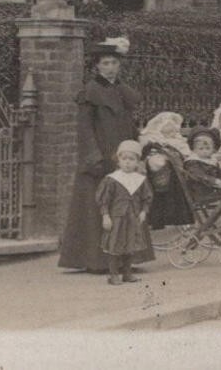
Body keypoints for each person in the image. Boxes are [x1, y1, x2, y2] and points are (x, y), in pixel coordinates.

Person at [60, 38, 154, 273]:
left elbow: (129, 124)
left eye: (114, 63)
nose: (110, 67)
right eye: (105, 63)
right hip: (101, 158)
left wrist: (137, 147)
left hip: (124, 157)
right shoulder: (90, 92)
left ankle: (127, 259)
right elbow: (85, 129)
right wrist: (94, 158)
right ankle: (96, 261)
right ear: (97, 66)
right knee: (99, 207)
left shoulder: (121, 91)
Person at [97, 140, 153, 285]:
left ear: (137, 162)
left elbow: (146, 198)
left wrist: (144, 211)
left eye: (131, 159)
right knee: (115, 245)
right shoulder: (112, 179)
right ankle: (113, 275)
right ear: (118, 160)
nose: (127, 162)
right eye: (124, 159)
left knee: (130, 245)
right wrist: (105, 216)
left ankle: (127, 273)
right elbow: (104, 200)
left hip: (133, 217)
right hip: (117, 218)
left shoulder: (140, 180)